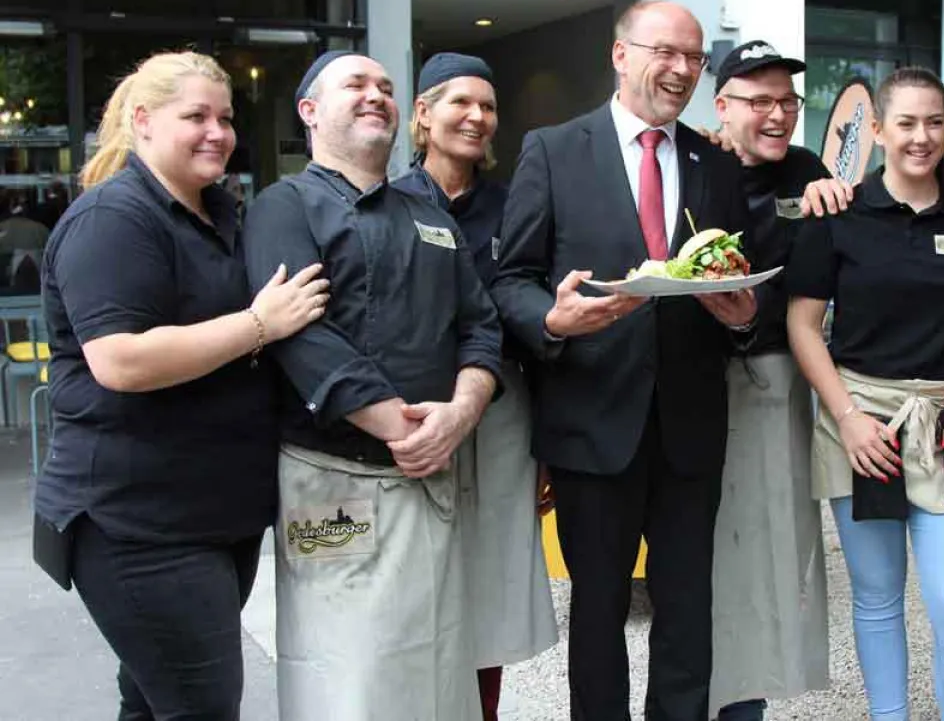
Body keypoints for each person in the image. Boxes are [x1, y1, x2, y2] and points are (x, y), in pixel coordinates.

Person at [34, 51, 328, 721]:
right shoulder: (113, 218)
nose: (216, 132)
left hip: (213, 514)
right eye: (194, 115)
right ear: (142, 121)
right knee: (202, 705)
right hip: (138, 523)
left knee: (152, 700)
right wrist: (258, 324)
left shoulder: (217, 213)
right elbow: (120, 360)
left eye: (224, 117)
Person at [491, 0, 757, 721]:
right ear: (619, 54)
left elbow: (733, 271)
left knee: (686, 616)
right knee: (599, 617)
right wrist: (551, 318)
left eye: (693, 58)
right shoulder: (552, 149)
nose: (678, 69)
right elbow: (510, 279)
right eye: (663, 51)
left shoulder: (714, 163)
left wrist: (743, 318)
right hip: (591, 425)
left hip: (690, 432)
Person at [242, 51, 503, 721]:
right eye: (355, 84)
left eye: (386, 87)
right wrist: (406, 427)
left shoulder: (432, 216)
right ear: (308, 110)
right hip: (333, 488)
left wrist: (461, 413)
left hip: (433, 479)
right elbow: (302, 336)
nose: (376, 95)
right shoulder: (284, 204)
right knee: (347, 675)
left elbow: (481, 327)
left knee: (438, 666)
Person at [788, 66, 944, 721]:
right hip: (866, 428)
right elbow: (802, 324)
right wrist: (847, 417)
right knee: (878, 594)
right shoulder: (838, 212)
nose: (921, 136)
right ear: (877, 130)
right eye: (905, 123)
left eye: (935, 121)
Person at [397, 51, 557, 721]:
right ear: (423, 114)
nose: (477, 116)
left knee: (488, 591)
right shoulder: (388, 202)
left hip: (500, 420)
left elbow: (531, 319)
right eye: (460, 101)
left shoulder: (513, 206)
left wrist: (546, 443)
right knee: (415, 586)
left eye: (488, 106)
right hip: (413, 420)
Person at [704, 40, 832, 721]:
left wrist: (838, 196)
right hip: (695, 380)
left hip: (777, 383)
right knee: (698, 551)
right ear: (722, 107)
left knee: (764, 553)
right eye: (761, 101)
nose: (779, 113)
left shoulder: (809, 173)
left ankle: (741, 703)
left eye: (788, 100)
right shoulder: (695, 165)